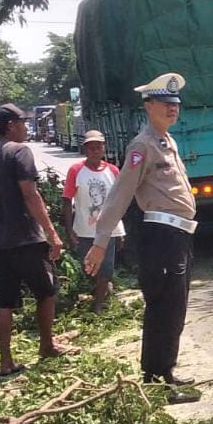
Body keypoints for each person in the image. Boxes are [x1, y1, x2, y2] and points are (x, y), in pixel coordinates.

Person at [84, 73, 199, 404]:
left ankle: (167, 370)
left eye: (175, 104)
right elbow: (121, 193)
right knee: (162, 307)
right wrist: (100, 240)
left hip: (178, 234)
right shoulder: (141, 145)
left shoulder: (166, 141)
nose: (172, 109)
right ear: (149, 106)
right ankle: (155, 380)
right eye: (165, 104)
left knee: (175, 307)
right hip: (160, 236)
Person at [0, 103, 74, 376]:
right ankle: (46, 345)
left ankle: (6, 361)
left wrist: (1, 220)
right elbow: (30, 194)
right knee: (47, 290)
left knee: (5, 299)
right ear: (10, 125)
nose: (25, 127)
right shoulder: (20, 151)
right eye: (22, 122)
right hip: (26, 239)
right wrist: (52, 234)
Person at [62, 130, 125, 312]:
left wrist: (121, 231)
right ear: (85, 149)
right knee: (89, 268)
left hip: (108, 231)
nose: (95, 150)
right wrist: (69, 230)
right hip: (85, 230)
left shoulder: (112, 171)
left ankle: (99, 304)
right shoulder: (76, 171)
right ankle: (101, 292)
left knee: (106, 269)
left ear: (104, 148)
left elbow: (118, 202)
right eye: (91, 147)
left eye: (99, 147)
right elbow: (67, 200)